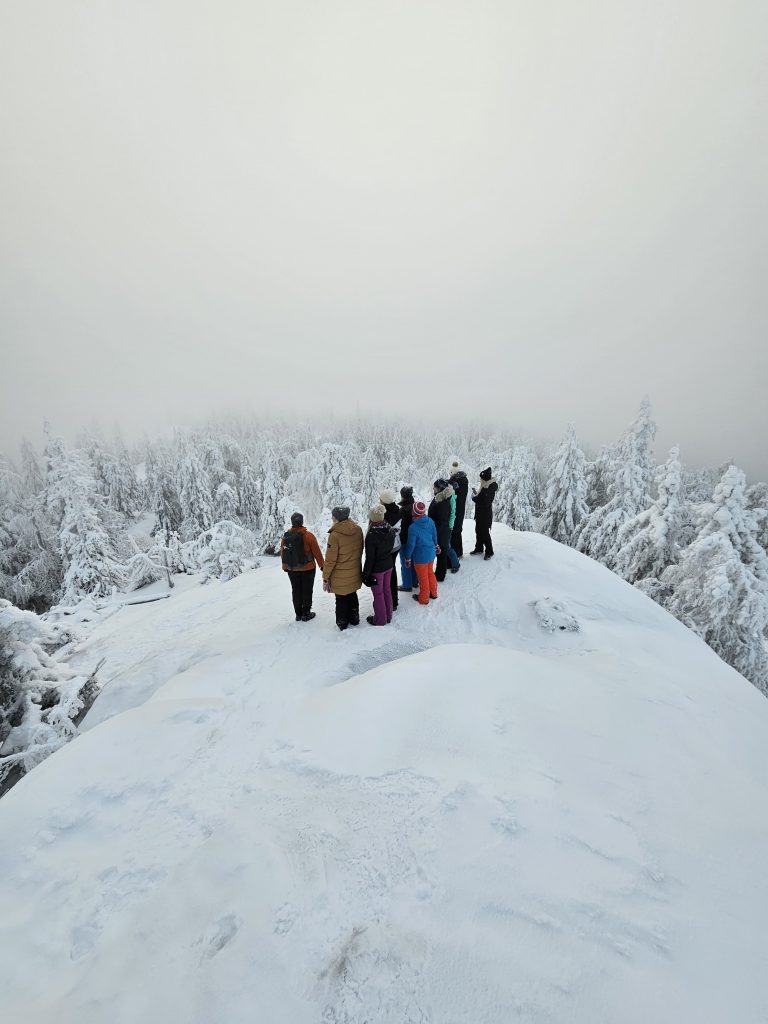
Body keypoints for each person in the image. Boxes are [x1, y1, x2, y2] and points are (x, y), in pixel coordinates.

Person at [322, 506, 364, 630]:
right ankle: (354, 619)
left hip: (339, 574)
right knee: (352, 594)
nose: (331, 518)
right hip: (354, 570)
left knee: (341, 599)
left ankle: (342, 623)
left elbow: (330, 560)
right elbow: (361, 549)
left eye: (333, 516)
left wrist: (325, 576)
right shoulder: (358, 529)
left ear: (336, 518)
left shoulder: (335, 535)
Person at [280, 512, 325, 621]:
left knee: (295, 590)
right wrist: (323, 567)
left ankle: (298, 614)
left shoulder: (286, 537)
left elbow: (283, 553)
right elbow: (317, 553)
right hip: (307, 569)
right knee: (307, 590)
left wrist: (285, 567)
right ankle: (306, 613)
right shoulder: (308, 536)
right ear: (302, 522)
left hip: (292, 569)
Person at [362, 505, 395, 625]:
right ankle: (388, 615)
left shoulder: (371, 535)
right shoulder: (389, 528)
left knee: (378, 594)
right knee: (387, 590)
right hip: (389, 565)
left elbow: (370, 558)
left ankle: (380, 619)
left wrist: (365, 574)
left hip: (377, 569)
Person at [402, 500, 439, 605]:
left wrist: (407, 557)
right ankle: (434, 593)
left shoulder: (413, 528)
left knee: (423, 578)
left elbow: (410, 545)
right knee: (430, 573)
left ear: (414, 512)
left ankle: (423, 598)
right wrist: (436, 545)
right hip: (431, 553)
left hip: (420, 557)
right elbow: (434, 536)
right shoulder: (430, 521)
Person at [428, 479, 456, 582]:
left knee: (442, 553)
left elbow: (441, 521)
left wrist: (434, 534)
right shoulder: (441, 498)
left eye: (434, 487)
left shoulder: (442, 501)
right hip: (442, 531)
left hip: (441, 532)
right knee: (441, 553)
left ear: (439, 488)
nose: (433, 488)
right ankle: (440, 574)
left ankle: (440, 576)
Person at [379, 489, 401, 611]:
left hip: (389, 548)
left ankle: (392, 601)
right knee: (392, 571)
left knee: (389, 573)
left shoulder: (385, 514)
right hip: (397, 545)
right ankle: (393, 600)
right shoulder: (397, 510)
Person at [471, 467, 498, 559]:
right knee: (478, 531)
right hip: (480, 513)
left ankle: (489, 551)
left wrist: (475, 498)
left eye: (481, 478)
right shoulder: (485, 485)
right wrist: (476, 496)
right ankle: (479, 548)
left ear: (485, 478)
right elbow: (482, 498)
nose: (480, 480)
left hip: (485, 515)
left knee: (485, 533)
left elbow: (485, 502)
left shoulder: (490, 487)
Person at [448, 460, 469, 557]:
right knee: (458, 531)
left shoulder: (456, 483)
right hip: (460, 509)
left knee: (454, 531)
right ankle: (459, 552)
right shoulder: (463, 480)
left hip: (456, 509)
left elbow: (453, 496)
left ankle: (456, 554)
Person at [397, 486, 416, 592]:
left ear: (402, 496)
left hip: (404, 539)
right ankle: (414, 581)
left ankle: (407, 585)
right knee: (412, 560)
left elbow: (401, 526)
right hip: (414, 539)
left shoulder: (403, 510)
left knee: (405, 562)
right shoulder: (414, 506)